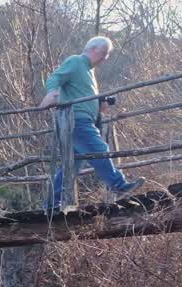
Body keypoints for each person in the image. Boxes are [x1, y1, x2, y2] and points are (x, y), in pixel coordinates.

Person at [39, 36, 144, 210]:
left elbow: (80, 94)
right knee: (99, 149)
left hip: (77, 120)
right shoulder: (76, 61)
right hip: (76, 120)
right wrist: (52, 93)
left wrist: (99, 104)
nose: (105, 58)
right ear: (93, 49)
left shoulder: (89, 71)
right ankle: (118, 185)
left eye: (107, 55)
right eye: (104, 53)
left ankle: (50, 204)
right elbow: (54, 79)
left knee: (71, 166)